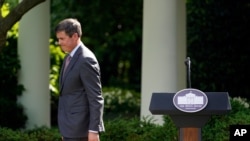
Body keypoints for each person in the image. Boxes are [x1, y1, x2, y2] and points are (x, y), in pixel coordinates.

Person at [55, 18, 105, 141]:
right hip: (70, 130)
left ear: (75, 36)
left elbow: (95, 97)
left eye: (62, 39)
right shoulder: (68, 58)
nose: (59, 43)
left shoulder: (86, 59)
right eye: (58, 39)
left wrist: (94, 130)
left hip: (81, 132)